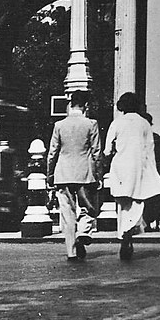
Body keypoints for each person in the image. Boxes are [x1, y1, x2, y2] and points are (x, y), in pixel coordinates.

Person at [103, 92, 160, 260]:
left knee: (123, 203)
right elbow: (149, 150)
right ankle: (128, 232)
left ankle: (123, 233)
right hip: (138, 166)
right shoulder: (144, 123)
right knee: (137, 201)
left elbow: (107, 150)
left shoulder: (117, 123)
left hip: (121, 166)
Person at [46, 91, 101, 261]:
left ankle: (71, 251)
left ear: (70, 105)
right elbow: (96, 152)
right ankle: (83, 232)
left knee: (67, 213)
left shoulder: (59, 125)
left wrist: (50, 174)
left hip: (63, 174)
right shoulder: (91, 124)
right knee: (87, 208)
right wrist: (98, 174)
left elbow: (52, 152)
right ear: (86, 106)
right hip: (84, 173)